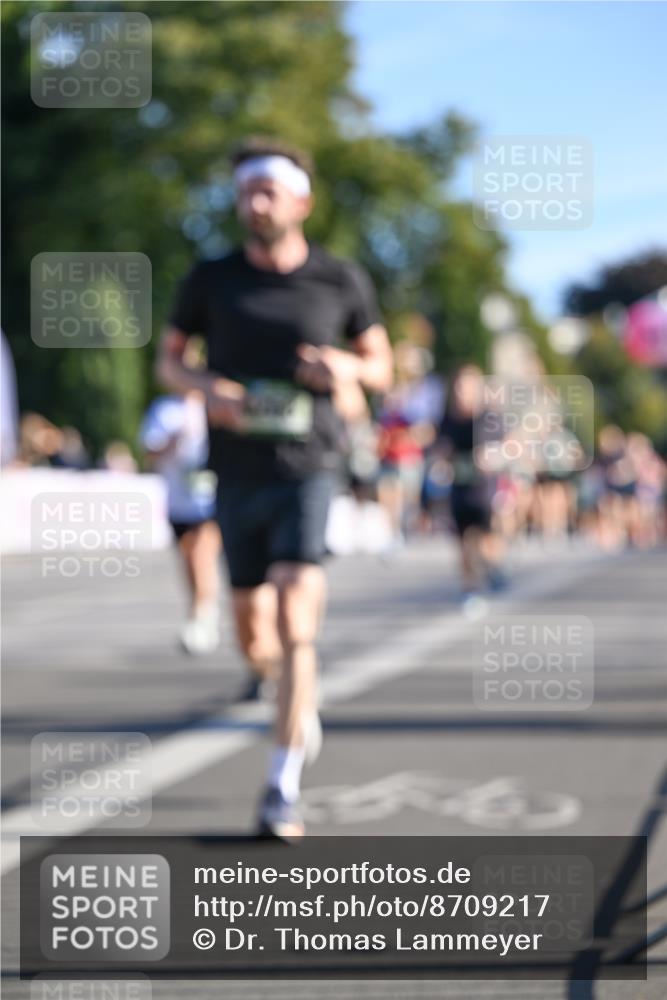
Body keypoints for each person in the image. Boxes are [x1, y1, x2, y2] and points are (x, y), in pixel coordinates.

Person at [156, 137, 393, 838]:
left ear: (300, 202)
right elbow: (169, 365)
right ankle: (284, 687)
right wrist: (209, 389)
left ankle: (281, 786)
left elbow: (379, 365)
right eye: (243, 193)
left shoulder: (339, 279)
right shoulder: (210, 278)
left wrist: (343, 368)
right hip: (235, 470)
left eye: (266, 192)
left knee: (296, 621)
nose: (252, 204)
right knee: (252, 629)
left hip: (308, 466)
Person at [140, 390, 221, 655]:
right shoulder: (164, 408)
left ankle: (201, 616)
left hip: (211, 498)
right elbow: (148, 450)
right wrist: (170, 444)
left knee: (201, 554)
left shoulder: (214, 400)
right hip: (178, 499)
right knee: (189, 560)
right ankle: (203, 608)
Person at [437, 364, 506, 600]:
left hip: (484, 488)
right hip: (459, 485)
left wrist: (492, 456)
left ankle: (493, 566)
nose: (462, 393)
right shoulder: (448, 419)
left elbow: (504, 446)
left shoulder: (488, 417)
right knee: (463, 539)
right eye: (458, 388)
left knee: (486, 537)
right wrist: (442, 459)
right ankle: (470, 588)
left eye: (466, 388)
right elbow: (441, 448)